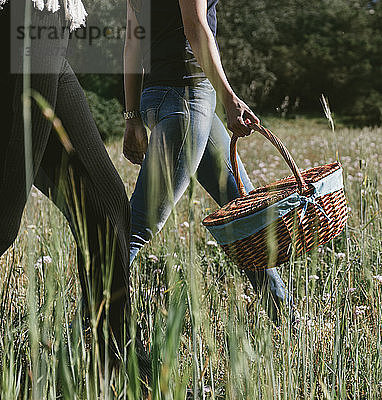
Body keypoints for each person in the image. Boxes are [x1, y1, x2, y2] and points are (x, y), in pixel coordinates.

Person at [0, 0, 151, 388]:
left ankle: (116, 369)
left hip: (49, 22)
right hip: (26, 17)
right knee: (2, 218)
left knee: (105, 205)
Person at [123, 0, 295, 324]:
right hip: (187, 101)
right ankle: (83, 332)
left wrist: (132, 116)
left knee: (242, 212)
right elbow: (196, 27)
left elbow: (132, 40)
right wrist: (230, 98)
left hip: (159, 97)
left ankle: (285, 321)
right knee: (138, 226)